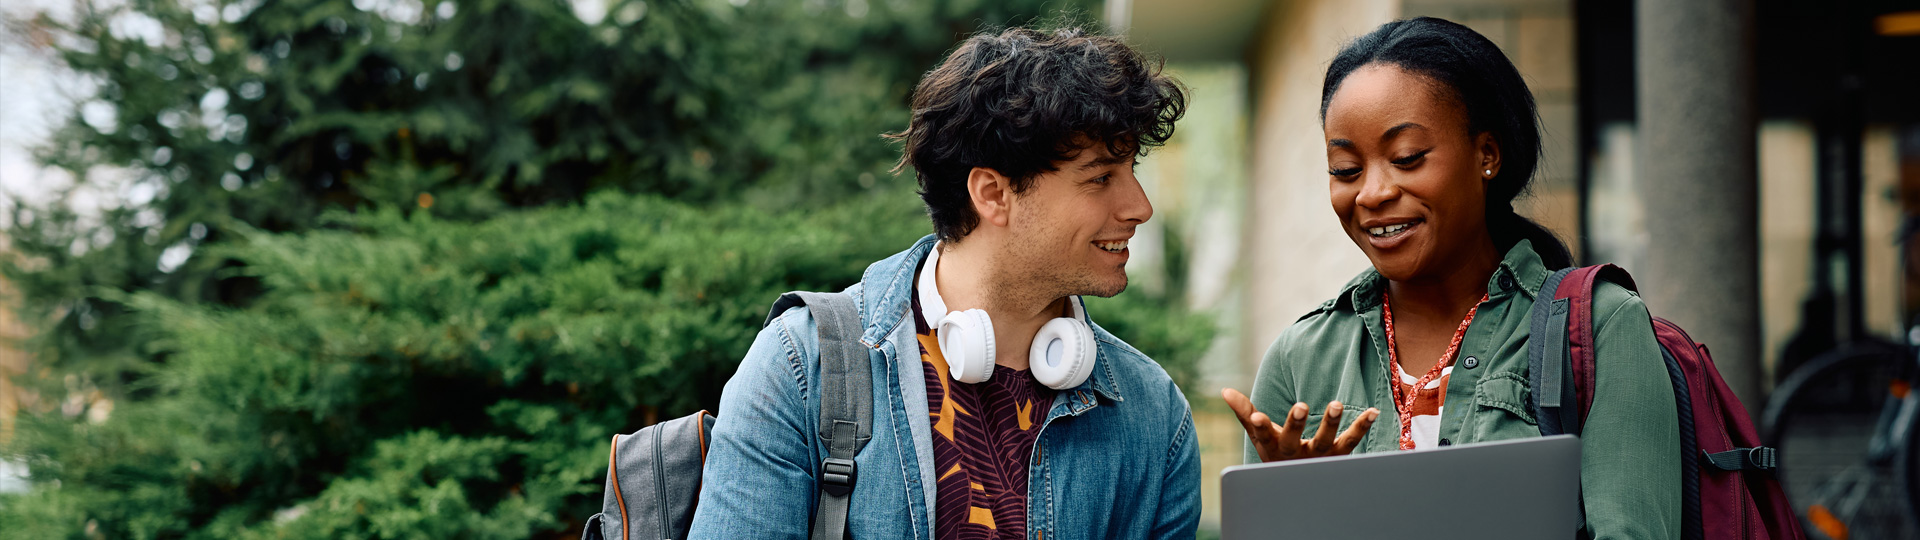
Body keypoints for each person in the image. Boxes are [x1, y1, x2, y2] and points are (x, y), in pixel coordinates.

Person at [690, 25, 1198, 539]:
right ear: (993, 193)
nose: (1140, 207)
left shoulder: (1155, 414)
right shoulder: (801, 369)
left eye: (1131, 171)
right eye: (1100, 177)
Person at [1219, 17, 1681, 539]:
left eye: (1407, 158)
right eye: (1346, 169)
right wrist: (1295, 513)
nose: (1371, 193)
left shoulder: (1599, 327)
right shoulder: (1300, 359)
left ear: (1487, 154)